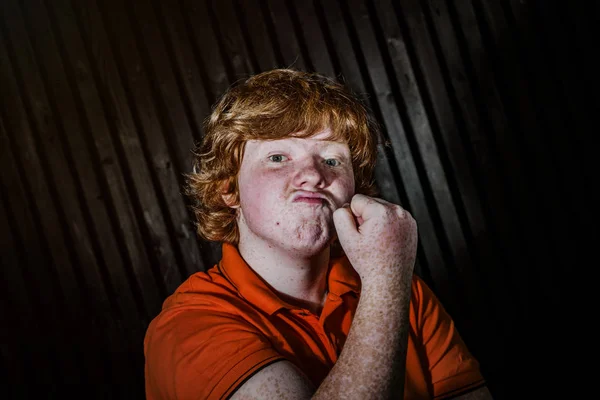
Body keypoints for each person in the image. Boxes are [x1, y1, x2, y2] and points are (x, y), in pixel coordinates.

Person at [143, 68, 493, 399]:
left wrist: (387, 283)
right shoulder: (187, 326)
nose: (313, 175)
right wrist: (386, 282)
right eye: (278, 157)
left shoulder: (405, 292)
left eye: (332, 160)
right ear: (229, 190)